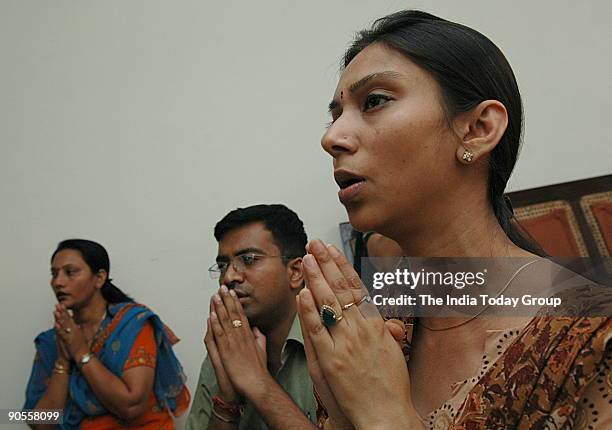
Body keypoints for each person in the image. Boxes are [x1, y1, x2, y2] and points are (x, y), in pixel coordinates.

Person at [296, 10, 612, 430]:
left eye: (374, 101)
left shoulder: (591, 341)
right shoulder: (378, 333)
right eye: (335, 114)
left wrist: (383, 415)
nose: (331, 137)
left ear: (478, 129)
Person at [24, 239, 190, 429]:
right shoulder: (52, 341)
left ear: (99, 278)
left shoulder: (132, 324)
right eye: (54, 274)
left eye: (70, 272)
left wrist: (81, 353)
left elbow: (131, 406)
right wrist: (62, 361)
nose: (58, 282)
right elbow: (39, 423)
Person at [186, 204, 317, 429]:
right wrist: (226, 401)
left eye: (248, 259)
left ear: (295, 272)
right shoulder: (227, 349)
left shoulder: (336, 339)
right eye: (222, 265)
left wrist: (258, 383)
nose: (228, 277)